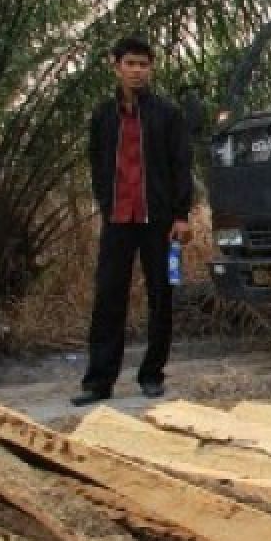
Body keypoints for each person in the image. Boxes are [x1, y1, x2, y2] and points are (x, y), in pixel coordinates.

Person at [74, 37, 194, 407]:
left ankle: (152, 374)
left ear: (151, 68)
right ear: (116, 65)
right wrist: (106, 202)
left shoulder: (166, 114)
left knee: (161, 296)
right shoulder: (103, 116)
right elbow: (97, 164)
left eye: (144, 64)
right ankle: (98, 381)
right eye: (131, 63)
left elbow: (180, 165)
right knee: (108, 297)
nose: (137, 70)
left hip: (157, 219)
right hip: (118, 218)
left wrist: (180, 215)